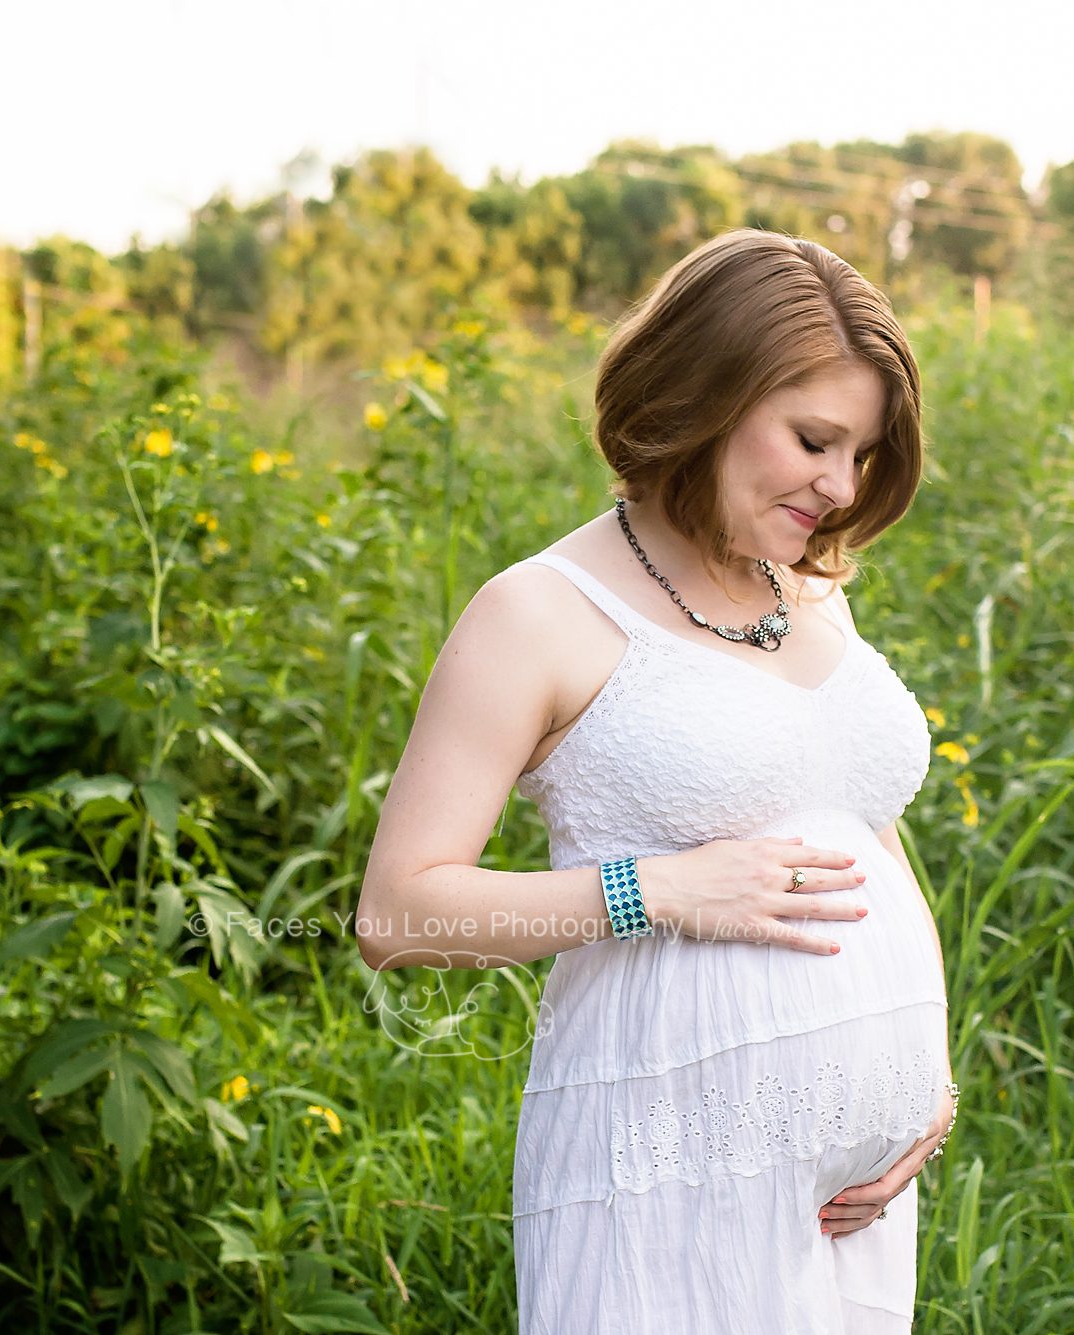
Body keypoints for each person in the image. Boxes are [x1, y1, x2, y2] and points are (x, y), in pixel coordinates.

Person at [357, 227, 959, 1333]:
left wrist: (931, 1076)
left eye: (862, 454)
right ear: (705, 395)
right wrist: (657, 890)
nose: (838, 485)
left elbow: (868, 832)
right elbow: (396, 911)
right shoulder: (537, 614)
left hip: (856, 1205)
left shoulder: (810, 594)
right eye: (813, 439)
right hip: (662, 1161)